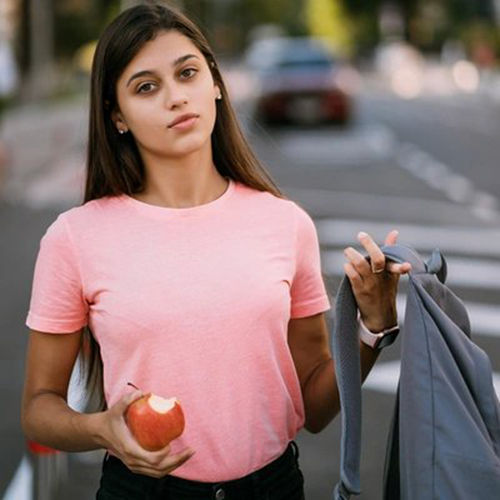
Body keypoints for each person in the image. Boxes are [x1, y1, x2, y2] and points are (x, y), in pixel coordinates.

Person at [20, 2, 412, 499]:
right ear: (117, 116)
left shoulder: (284, 222)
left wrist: (372, 327)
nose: (176, 98)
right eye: (146, 87)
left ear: (216, 83)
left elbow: (314, 408)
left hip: (273, 488)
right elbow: (39, 406)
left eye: (187, 73)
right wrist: (101, 428)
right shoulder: (75, 237)